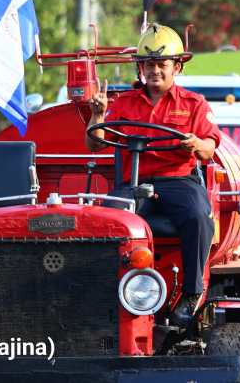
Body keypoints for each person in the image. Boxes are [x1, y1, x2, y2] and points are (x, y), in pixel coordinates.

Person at [85, 23, 221, 327]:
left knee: (198, 216)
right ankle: (103, 290)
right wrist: (98, 115)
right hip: (133, 182)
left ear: (176, 67)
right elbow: (94, 143)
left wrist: (197, 144)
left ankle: (191, 293)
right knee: (108, 220)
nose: (155, 70)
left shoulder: (193, 104)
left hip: (177, 180)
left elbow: (211, 147)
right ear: (140, 67)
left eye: (162, 64)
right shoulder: (124, 104)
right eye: (149, 64)